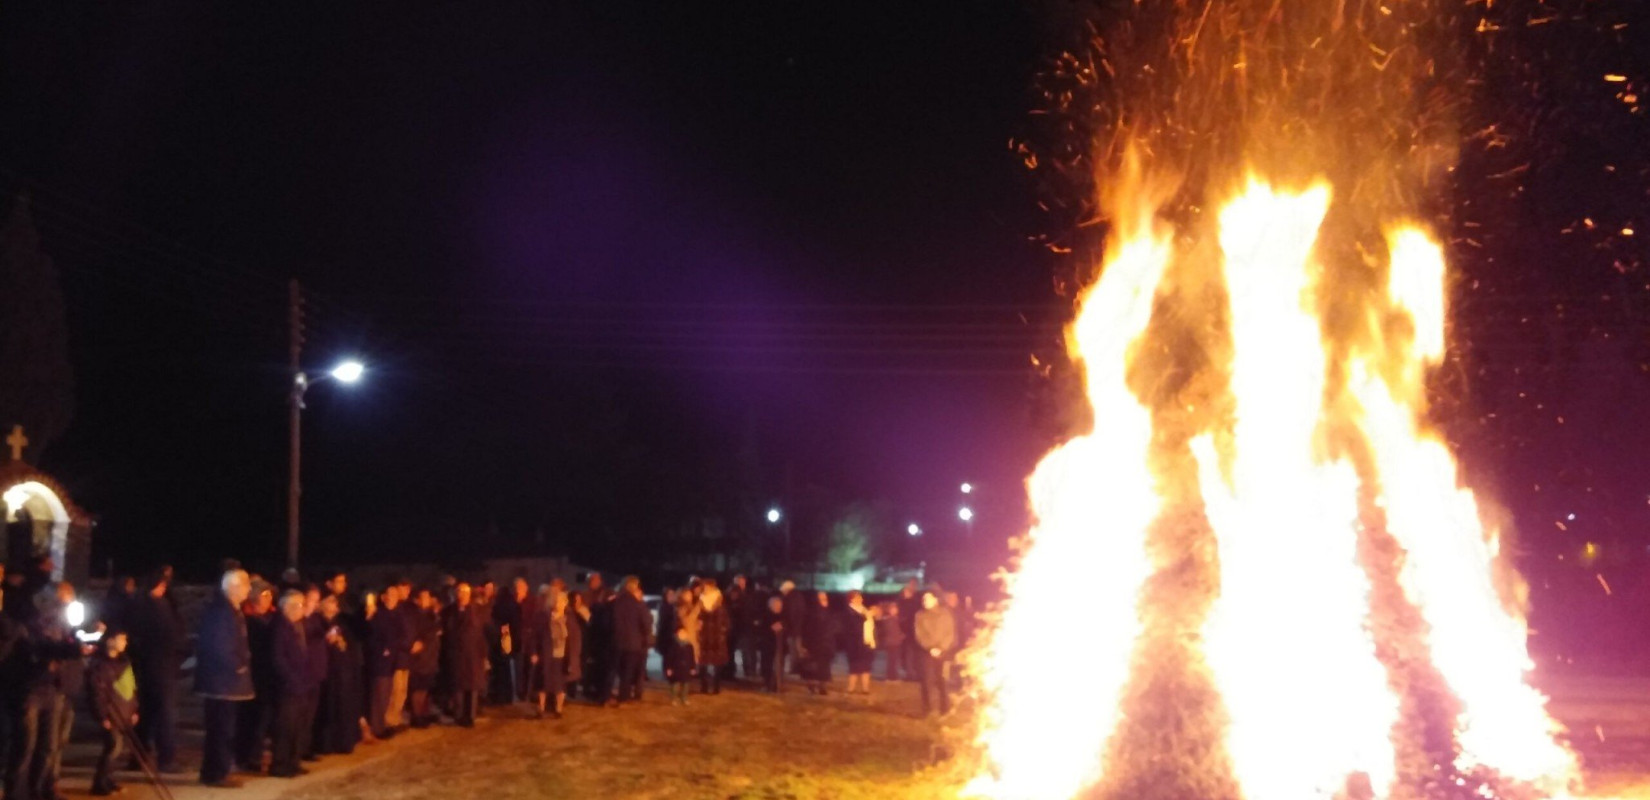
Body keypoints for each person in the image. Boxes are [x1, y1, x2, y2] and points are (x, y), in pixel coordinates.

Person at [196, 568, 255, 789]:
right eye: (246, 584)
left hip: (225, 682)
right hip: (222, 683)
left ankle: (214, 771)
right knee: (221, 730)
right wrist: (238, 666)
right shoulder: (222, 612)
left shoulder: (231, 609)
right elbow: (219, 647)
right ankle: (216, 773)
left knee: (221, 729)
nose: (249, 589)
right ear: (233, 587)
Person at [127, 569, 185, 774]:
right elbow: (174, 637)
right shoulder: (161, 608)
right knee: (165, 714)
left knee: (146, 713)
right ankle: (166, 758)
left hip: (144, 667)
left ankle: (137, 757)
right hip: (162, 667)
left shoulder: (138, 605)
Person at [269, 591, 317, 778]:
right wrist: (292, 679)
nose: (302, 609)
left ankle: (293, 761)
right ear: (286, 607)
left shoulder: (296, 625)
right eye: (298, 606)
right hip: (287, 687)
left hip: (301, 684)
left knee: (297, 726)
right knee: (285, 727)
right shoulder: (280, 627)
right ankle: (280, 764)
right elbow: (278, 658)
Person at [86, 627, 138, 797]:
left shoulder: (124, 662)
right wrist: (102, 715)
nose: (125, 643)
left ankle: (108, 779)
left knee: (117, 748)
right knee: (112, 746)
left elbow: (131, 687)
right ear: (110, 641)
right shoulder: (100, 665)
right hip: (110, 712)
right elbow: (97, 693)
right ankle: (99, 782)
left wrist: (134, 709)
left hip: (123, 711)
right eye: (121, 639)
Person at [312, 594, 363, 756]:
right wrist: (327, 641)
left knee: (344, 706)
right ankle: (326, 744)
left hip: (344, 671)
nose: (334, 605)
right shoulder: (317, 622)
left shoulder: (342, 623)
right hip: (327, 672)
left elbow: (353, 643)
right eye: (330, 601)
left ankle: (344, 741)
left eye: (335, 602)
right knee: (328, 708)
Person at [235, 584, 276, 773]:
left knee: (261, 719)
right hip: (254, 677)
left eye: (270, 596)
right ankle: (247, 757)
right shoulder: (250, 622)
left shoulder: (268, 619)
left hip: (266, 678)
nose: (268, 600)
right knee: (251, 719)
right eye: (264, 595)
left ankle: (253, 755)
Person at [527, 589, 580, 719]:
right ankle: (541, 708)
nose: (558, 604)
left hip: (562, 656)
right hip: (546, 655)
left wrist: (574, 657)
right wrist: (534, 652)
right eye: (556, 601)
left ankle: (558, 709)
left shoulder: (569, 620)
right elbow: (534, 636)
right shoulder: (544, 618)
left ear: (565, 603)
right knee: (543, 683)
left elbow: (575, 639)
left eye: (561, 602)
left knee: (560, 684)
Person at [440, 583, 488, 727]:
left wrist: (486, 653)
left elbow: (484, 633)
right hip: (456, 653)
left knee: (472, 686)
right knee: (458, 686)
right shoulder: (449, 611)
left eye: (465, 592)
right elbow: (446, 630)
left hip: (473, 653)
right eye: (459, 592)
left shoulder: (477, 611)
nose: (462, 595)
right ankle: (459, 715)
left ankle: (470, 715)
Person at [367, 583, 410, 738]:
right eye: (389, 595)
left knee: (388, 694)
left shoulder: (399, 614)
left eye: (395, 595)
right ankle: (377, 727)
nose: (392, 598)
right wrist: (385, 648)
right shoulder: (378, 615)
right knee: (380, 694)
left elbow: (404, 636)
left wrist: (393, 646)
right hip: (380, 660)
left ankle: (383, 726)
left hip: (393, 660)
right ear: (383, 597)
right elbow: (373, 636)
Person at [609, 576, 651, 706]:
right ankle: (623, 697)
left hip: (616, 641)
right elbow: (646, 622)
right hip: (633, 643)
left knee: (613, 670)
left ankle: (605, 695)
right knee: (627, 672)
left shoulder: (615, 602)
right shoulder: (638, 604)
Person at [913, 591, 956, 717]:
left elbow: (950, 633)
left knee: (942, 680)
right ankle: (929, 709)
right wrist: (930, 648)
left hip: (943, 652)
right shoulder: (919, 615)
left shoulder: (946, 614)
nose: (925, 601)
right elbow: (919, 634)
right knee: (927, 681)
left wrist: (942, 648)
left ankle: (945, 708)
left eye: (928, 598)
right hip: (926, 653)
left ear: (935, 600)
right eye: (923, 599)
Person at [408, 588, 442, 727]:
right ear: (417, 599)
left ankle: (423, 713)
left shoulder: (431, 614)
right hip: (419, 657)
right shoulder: (414, 615)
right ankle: (416, 716)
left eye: (428, 597)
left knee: (426, 687)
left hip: (431, 656)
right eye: (423, 597)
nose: (426, 600)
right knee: (418, 687)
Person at [580, 574, 613, 702]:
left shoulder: (606, 593)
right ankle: (588, 688)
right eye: (591, 580)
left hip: (600, 634)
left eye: (595, 580)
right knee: (589, 663)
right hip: (589, 633)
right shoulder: (586, 594)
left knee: (599, 665)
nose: (592, 582)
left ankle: (597, 689)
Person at [695, 580, 731, 695]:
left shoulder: (720, 601)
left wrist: (723, 630)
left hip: (717, 636)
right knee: (702, 662)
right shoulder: (700, 601)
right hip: (704, 636)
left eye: (705, 586)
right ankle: (704, 686)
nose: (703, 588)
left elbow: (726, 620)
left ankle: (716, 686)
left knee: (717, 663)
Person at [799, 591, 837, 695]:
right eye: (821, 599)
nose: (824, 601)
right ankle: (811, 686)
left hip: (826, 644)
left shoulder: (830, 612)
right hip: (814, 644)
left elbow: (834, 627)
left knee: (824, 667)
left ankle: (822, 687)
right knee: (812, 666)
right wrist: (805, 644)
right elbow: (806, 629)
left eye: (825, 598)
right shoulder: (811, 613)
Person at [843, 592, 876, 696]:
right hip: (855, 644)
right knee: (854, 667)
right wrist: (867, 616)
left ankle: (865, 688)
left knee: (866, 666)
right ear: (851, 600)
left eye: (860, 597)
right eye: (857, 597)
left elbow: (871, 625)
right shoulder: (849, 611)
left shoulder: (864, 610)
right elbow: (853, 626)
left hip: (867, 642)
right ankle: (851, 688)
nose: (860, 599)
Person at [726, 575, 758, 681]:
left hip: (746, 626)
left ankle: (749, 669)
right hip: (734, 626)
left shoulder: (750, 594)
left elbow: (752, 609)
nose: (740, 584)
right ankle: (731, 671)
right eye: (737, 582)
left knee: (747, 650)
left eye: (741, 582)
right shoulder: (730, 594)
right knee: (732, 650)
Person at [757, 595, 785, 693]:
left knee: (778, 665)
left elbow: (787, 627)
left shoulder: (782, 616)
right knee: (767, 664)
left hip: (779, 646)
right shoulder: (766, 616)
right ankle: (767, 683)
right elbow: (761, 630)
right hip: (768, 645)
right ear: (771, 606)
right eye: (776, 605)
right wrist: (770, 629)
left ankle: (777, 684)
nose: (779, 607)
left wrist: (782, 627)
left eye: (780, 605)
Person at [663, 625, 696, 706]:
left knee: (686, 685)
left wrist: (693, 667)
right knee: (675, 684)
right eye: (680, 633)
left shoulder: (689, 646)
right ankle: (674, 699)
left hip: (686, 668)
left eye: (684, 633)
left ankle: (684, 698)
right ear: (677, 634)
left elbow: (692, 657)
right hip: (675, 668)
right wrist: (669, 668)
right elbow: (669, 658)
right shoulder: (673, 645)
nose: (682, 635)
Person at [779, 581, 805, 677]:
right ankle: (797, 668)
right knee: (796, 648)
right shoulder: (799, 597)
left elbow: (790, 614)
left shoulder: (790, 598)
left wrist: (787, 626)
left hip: (792, 629)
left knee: (793, 649)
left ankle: (795, 668)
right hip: (798, 628)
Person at [896, 581, 920, 682]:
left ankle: (912, 673)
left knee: (911, 654)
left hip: (911, 632)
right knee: (907, 654)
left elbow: (909, 618)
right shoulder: (902, 602)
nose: (904, 592)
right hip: (906, 632)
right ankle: (910, 673)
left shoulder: (912, 603)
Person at [876, 602, 905, 683]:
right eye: (892, 609)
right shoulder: (888, 619)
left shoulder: (897, 619)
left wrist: (901, 636)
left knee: (894, 660)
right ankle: (891, 677)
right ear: (889, 610)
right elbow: (887, 630)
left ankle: (893, 676)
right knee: (891, 660)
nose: (894, 610)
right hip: (891, 642)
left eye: (895, 609)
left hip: (896, 642)